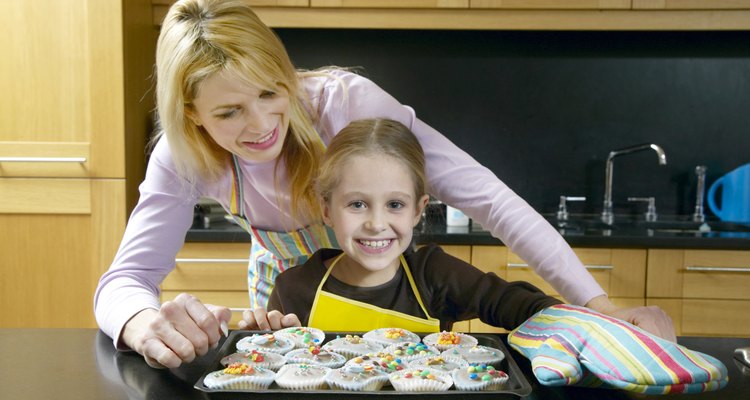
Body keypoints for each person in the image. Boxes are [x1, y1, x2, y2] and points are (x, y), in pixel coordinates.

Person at [94, 0, 675, 369]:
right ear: (192, 114)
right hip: (291, 306)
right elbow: (126, 279)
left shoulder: (345, 106)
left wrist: (596, 306)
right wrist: (142, 325)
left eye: (272, 92)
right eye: (228, 113)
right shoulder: (182, 154)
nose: (261, 124)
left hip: (395, 296)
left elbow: (489, 199)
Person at [268, 118, 562, 331]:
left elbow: (531, 308)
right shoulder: (292, 289)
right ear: (327, 210)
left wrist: (576, 331)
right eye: (357, 204)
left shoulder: (435, 275)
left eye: (395, 205)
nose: (376, 224)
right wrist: (261, 338)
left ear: (417, 211)